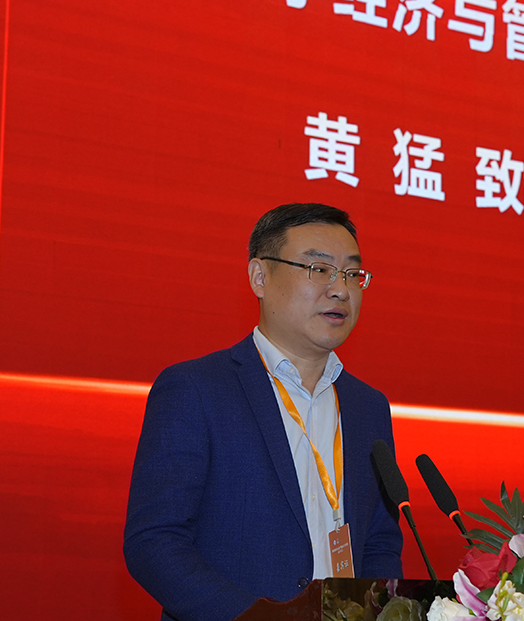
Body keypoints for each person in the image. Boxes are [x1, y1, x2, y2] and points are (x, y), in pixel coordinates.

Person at [124, 202, 403, 621]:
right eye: (319, 269)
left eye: (352, 273)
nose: (341, 289)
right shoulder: (196, 389)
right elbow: (154, 541)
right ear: (260, 277)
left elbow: (380, 542)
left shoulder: (369, 407)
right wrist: (251, 616)